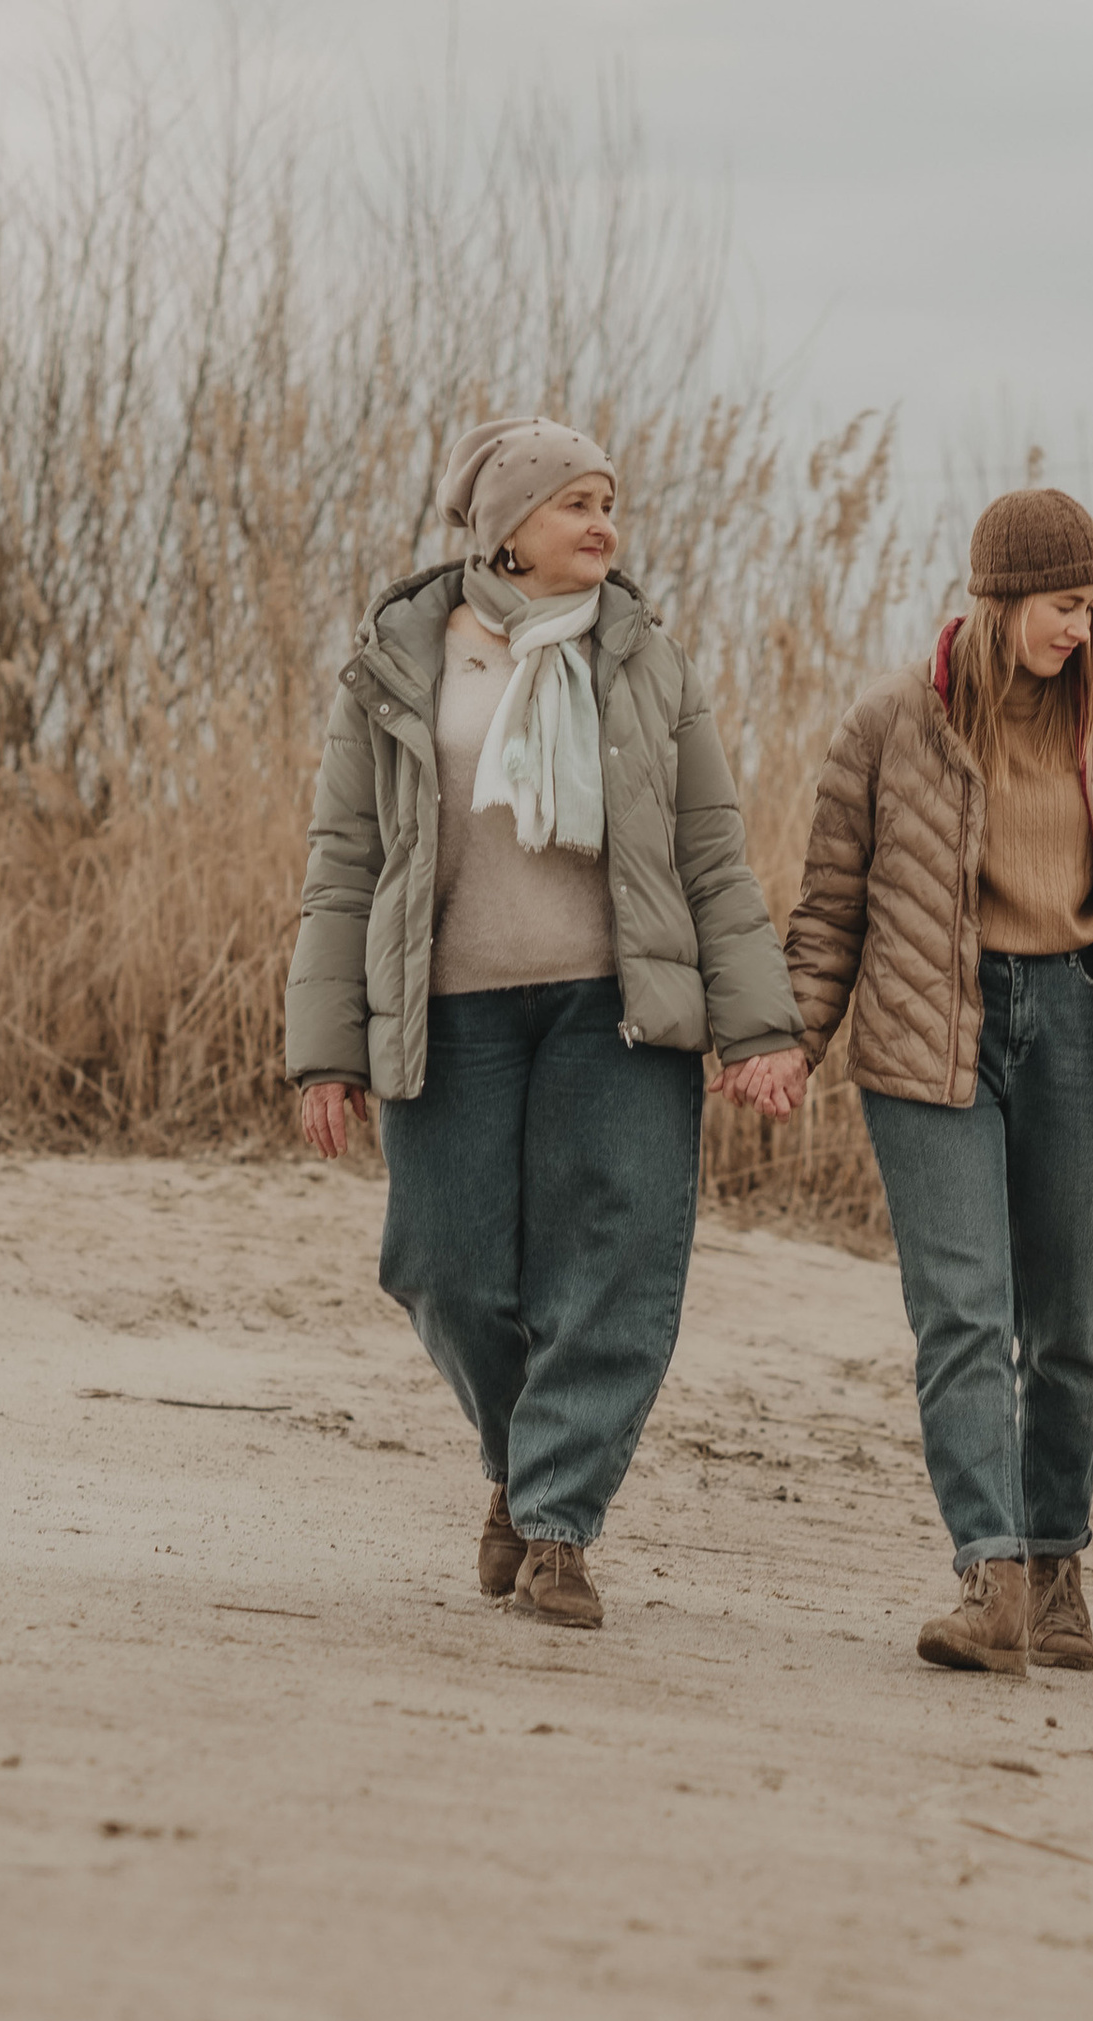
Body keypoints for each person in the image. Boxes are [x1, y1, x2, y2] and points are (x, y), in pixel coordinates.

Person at [286, 415, 803, 1629]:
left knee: (611, 1267)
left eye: (609, 501)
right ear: (507, 529)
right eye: (577, 502)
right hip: (449, 1009)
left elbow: (711, 860)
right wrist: (326, 1048)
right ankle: (521, 1468)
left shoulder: (646, 663)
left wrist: (758, 1026)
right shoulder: (400, 662)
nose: (603, 524)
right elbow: (343, 863)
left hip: (614, 1012)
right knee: (443, 1266)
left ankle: (560, 1525)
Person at [777, 489, 1093, 1677]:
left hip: (1078, 1036)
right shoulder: (888, 727)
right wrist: (787, 1047)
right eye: (1063, 604)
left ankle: (1058, 1569)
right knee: (961, 1310)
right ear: (998, 599)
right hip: (927, 1038)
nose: (1079, 626)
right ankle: (990, 1575)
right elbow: (828, 910)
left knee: (1069, 1328)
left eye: (1092, 606)